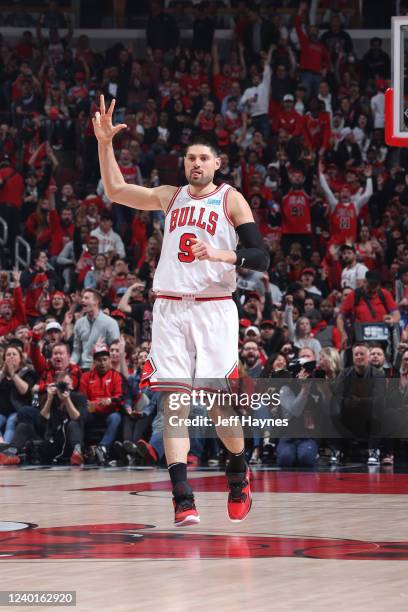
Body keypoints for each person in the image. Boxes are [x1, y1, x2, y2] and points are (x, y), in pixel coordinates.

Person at [93, 95, 269, 526]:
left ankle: (238, 468)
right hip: (170, 309)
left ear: (216, 164)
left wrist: (219, 254)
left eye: (203, 158)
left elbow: (260, 256)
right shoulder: (169, 197)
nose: (196, 163)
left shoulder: (230, 199)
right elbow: (116, 190)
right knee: (173, 405)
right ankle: (181, 494)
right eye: (190, 157)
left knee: (213, 404)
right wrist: (104, 144)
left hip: (213, 310)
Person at [0, 344, 38, 465]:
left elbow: (24, 390)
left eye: (14, 354)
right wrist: (3, 372)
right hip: (1, 412)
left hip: (18, 411)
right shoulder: (1, 374)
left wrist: (13, 374)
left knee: (11, 421)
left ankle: (6, 452)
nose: (11, 357)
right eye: (8, 355)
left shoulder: (28, 373)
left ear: (20, 358)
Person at [71, 289, 120, 370]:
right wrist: (70, 366)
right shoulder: (79, 323)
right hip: (82, 368)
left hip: (103, 368)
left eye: (86, 298)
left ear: (96, 302)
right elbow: (76, 350)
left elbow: (115, 349)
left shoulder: (111, 323)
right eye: (83, 298)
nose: (83, 300)